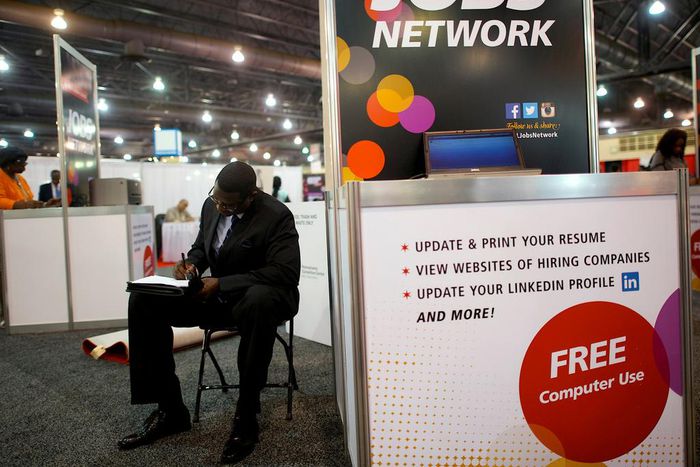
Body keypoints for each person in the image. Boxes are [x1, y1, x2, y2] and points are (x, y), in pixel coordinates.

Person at [118, 161, 300, 465]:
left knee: (259, 302)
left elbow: (284, 272)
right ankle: (171, 410)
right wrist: (191, 264)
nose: (220, 206)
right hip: (216, 296)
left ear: (251, 195)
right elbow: (202, 247)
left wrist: (222, 283)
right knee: (143, 300)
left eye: (228, 203)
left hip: (260, 297)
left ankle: (247, 413)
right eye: (216, 199)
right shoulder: (211, 204)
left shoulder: (276, 215)